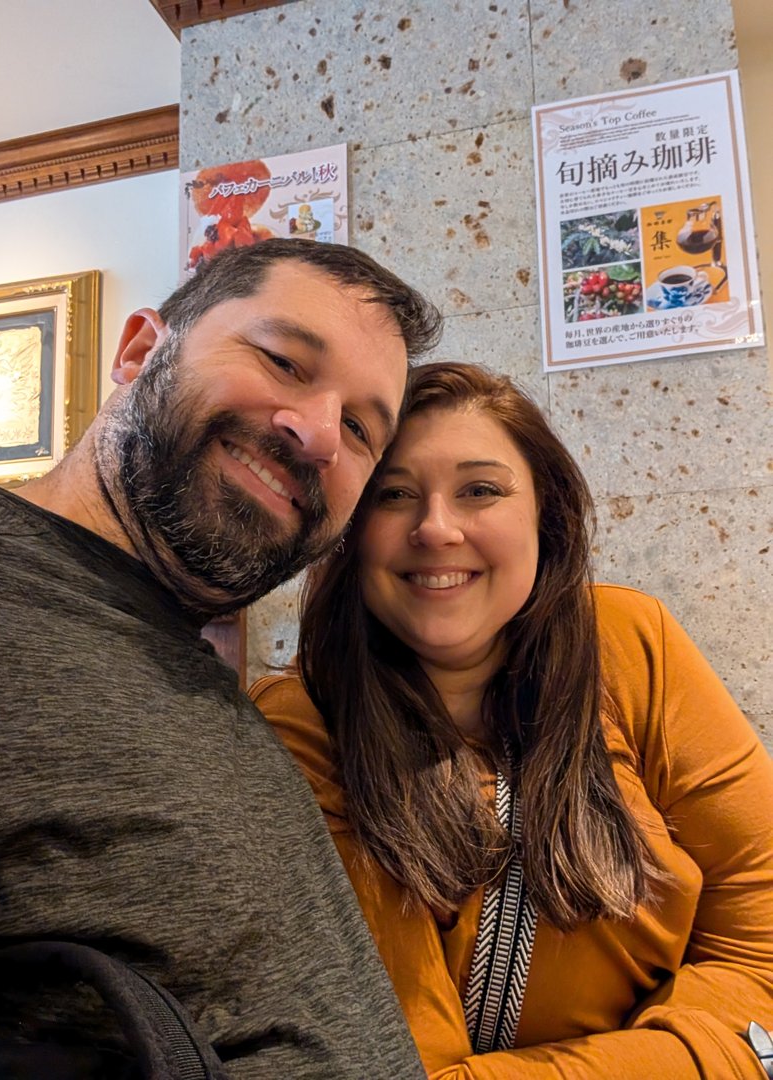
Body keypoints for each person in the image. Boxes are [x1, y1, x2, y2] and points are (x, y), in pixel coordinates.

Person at [0, 239, 443, 1078]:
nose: (321, 434)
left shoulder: (196, 680)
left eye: (363, 428)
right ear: (141, 350)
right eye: (285, 361)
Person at [252, 361, 773, 1079]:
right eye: (394, 495)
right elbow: (400, 1063)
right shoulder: (302, 726)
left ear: (544, 515)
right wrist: (711, 1061)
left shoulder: (630, 640)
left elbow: (760, 918)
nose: (435, 528)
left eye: (481, 491)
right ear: (351, 533)